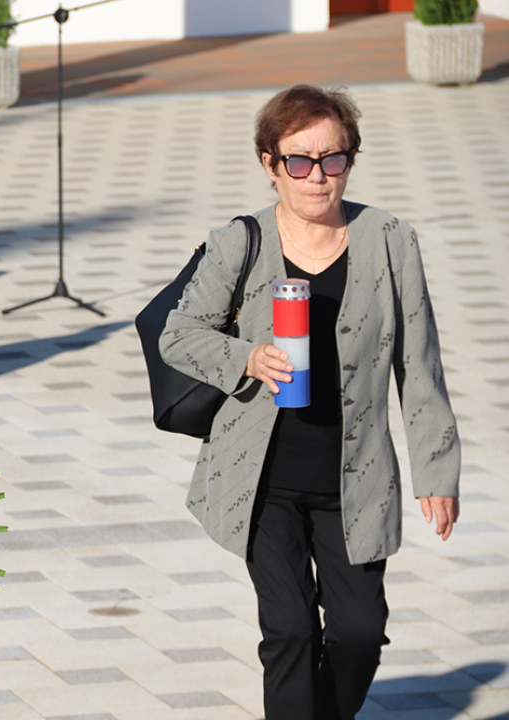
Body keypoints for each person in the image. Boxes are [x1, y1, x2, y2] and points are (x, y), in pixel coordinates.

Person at [159, 85, 460, 720]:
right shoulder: (239, 242)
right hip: (261, 481)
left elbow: (419, 364)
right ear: (269, 163)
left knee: (358, 633)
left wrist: (436, 470)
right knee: (291, 631)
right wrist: (247, 358)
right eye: (298, 160)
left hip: (355, 480)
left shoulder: (391, 240)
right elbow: (178, 335)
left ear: (351, 158)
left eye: (333, 158)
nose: (317, 175)